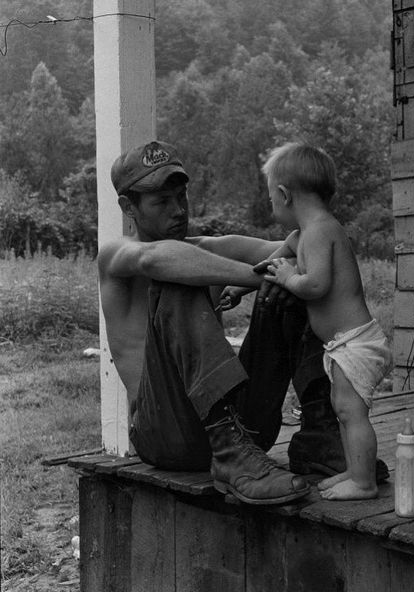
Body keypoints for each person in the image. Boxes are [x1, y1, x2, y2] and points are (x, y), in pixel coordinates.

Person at [98, 139, 388, 506]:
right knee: (181, 280)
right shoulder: (115, 256)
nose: (178, 211)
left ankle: (319, 432)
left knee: (294, 286)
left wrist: (291, 265)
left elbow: (308, 249)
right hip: (167, 435)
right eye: (161, 202)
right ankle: (229, 455)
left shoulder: (208, 247)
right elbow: (156, 260)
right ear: (129, 207)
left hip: (245, 427)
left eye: (181, 197)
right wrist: (263, 278)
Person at [258, 141, 392, 501]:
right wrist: (237, 289)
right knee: (343, 409)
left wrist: (289, 279)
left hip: (356, 342)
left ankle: (363, 482)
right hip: (343, 344)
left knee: (351, 412)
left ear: (285, 195)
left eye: (270, 197)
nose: (271, 203)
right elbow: (271, 264)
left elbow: (316, 285)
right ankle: (354, 470)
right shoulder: (301, 234)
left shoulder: (320, 230)